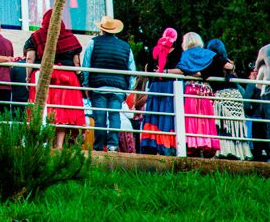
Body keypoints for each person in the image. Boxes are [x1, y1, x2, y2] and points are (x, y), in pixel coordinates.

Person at [24, 9, 85, 148]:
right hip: (67, 78)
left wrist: (28, 77)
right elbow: (76, 64)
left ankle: (44, 144)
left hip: (43, 76)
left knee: (43, 109)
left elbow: (29, 58)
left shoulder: (36, 37)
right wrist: (80, 80)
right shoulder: (70, 38)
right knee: (62, 111)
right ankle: (59, 145)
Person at [80, 16, 136, 152]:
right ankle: (112, 145)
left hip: (98, 87)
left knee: (99, 117)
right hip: (118, 88)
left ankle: (98, 146)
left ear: (101, 29)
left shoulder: (93, 43)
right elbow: (132, 71)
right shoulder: (125, 47)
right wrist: (127, 90)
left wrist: (86, 86)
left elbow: (86, 66)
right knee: (114, 116)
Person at [174, 32, 228, 157]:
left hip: (191, 89)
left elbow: (183, 70)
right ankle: (207, 143)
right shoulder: (207, 54)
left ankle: (193, 144)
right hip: (205, 89)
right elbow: (221, 65)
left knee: (192, 118)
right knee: (205, 118)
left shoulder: (186, 54)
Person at [206, 39, 251, 160]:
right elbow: (229, 66)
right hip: (233, 95)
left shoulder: (210, 60)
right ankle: (240, 152)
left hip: (223, 95)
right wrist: (232, 66)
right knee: (235, 126)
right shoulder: (221, 60)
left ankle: (225, 150)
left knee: (223, 126)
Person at [140, 28, 181, 156]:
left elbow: (149, 69)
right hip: (170, 87)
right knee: (167, 116)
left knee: (154, 115)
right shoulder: (179, 52)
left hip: (155, 87)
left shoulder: (155, 50)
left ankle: (151, 144)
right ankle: (167, 146)